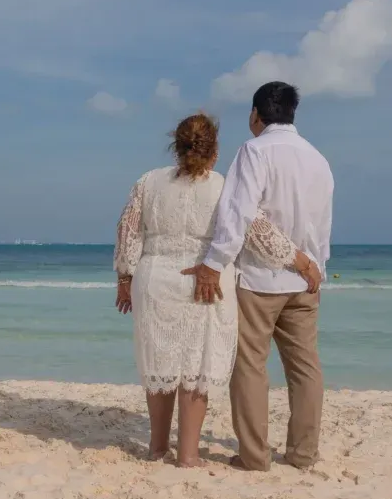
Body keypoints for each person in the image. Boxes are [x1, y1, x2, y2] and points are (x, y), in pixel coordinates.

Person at [114, 112, 322, 467]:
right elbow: (256, 231)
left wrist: (124, 279)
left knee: (160, 365)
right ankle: (188, 455)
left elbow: (128, 232)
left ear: (176, 147)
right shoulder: (225, 186)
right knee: (196, 369)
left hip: (156, 280)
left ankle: (158, 448)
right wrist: (300, 261)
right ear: (215, 151)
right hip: (206, 282)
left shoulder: (148, 182)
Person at [184, 81, 334, 472]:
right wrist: (316, 266)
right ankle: (303, 453)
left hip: (260, 279)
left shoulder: (254, 151)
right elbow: (323, 223)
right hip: (307, 281)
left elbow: (241, 216)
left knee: (250, 365)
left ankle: (254, 456)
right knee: (305, 367)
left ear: (255, 114)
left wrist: (214, 263)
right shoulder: (318, 159)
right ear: (292, 113)